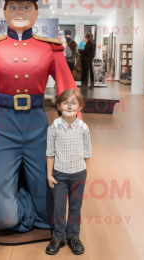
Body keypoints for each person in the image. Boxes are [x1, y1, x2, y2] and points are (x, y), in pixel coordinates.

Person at [0, 0, 82, 232]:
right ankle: (12, 196)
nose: (20, 11)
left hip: (38, 127)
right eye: (14, 6)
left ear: (36, 10)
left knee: (52, 218)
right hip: (1, 127)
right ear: (5, 10)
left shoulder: (50, 48)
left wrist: (74, 130)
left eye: (26, 6)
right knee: (2, 220)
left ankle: (25, 194)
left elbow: (68, 91)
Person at [45, 88, 92, 255]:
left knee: (75, 206)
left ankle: (73, 236)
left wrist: (84, 172)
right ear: (59, 106)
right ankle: (58, 236)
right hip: (59, 175)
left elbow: (87, 153)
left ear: (80, 106)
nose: (69, 106)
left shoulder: (84, 128)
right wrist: (50, 175)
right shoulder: (54, 127)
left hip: (79, 174)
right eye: (65, 103)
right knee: (59, 207)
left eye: (73, 103)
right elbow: (50, 153)